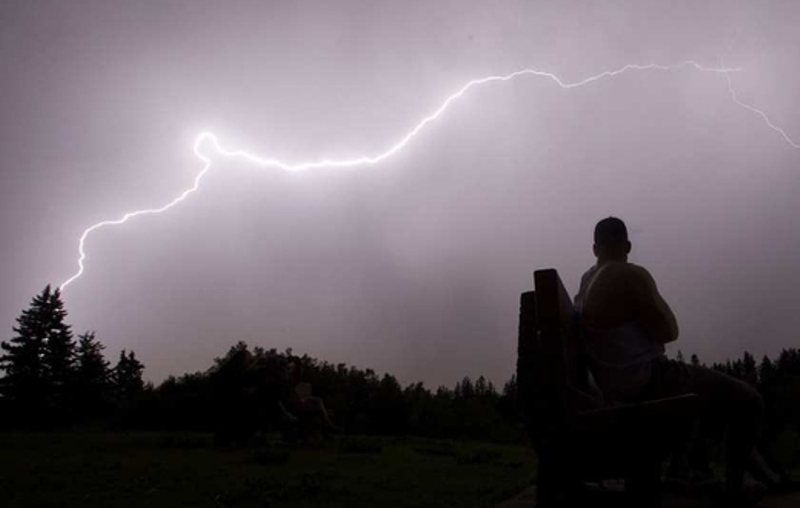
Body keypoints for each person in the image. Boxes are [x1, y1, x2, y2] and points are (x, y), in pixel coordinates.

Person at [574, 217, 790, 506]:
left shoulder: (584, 284)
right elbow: (669, 331)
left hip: (617, 390)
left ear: (594, 249)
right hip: (650, 380)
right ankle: (734, 490)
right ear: (627, 246)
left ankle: (745, 476)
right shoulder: (629, 275)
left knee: (713, 401)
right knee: (749, 401)